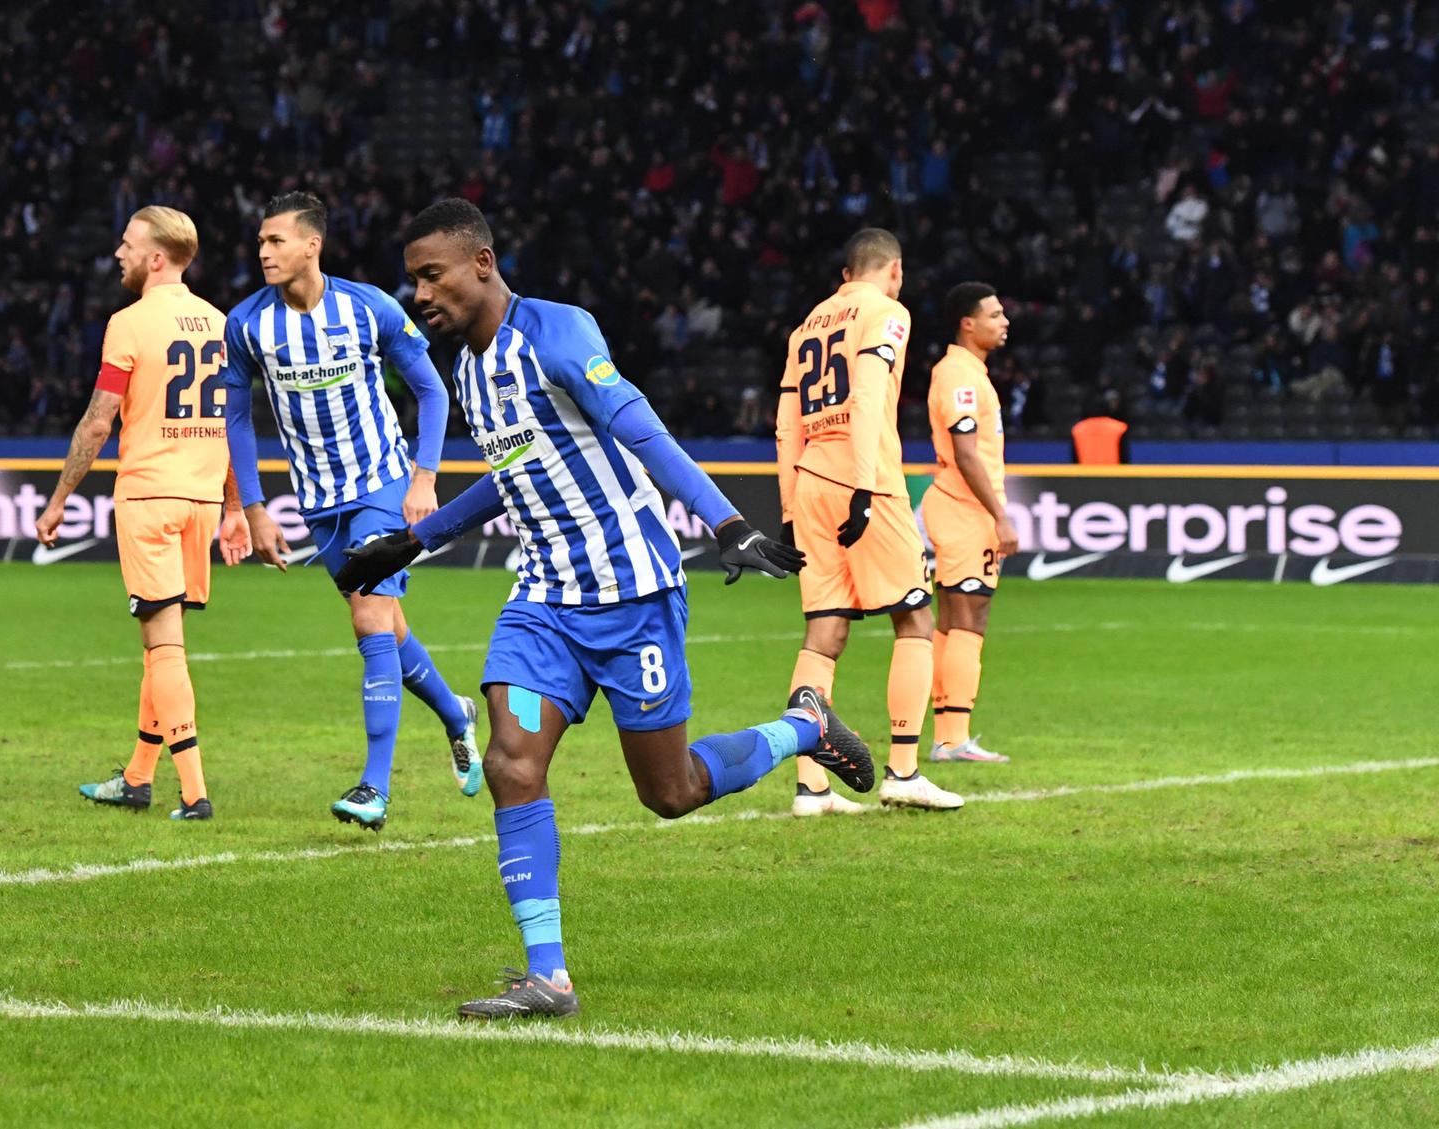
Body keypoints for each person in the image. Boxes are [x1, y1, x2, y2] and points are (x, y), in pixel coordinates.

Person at [337, 198, 869, 1020]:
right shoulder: (471, 372)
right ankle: (548, 976)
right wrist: (417, 541)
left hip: (633, 595)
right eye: (413, 280)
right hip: (544, 598)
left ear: (481, 262)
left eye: (430, 274)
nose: (419, 294)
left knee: (671, 790)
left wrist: (722, 519)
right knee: (513, 762)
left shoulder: (558, 332)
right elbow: (514, 475)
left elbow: (634, 422)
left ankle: (806, 725)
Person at [223, 191, 481, 831]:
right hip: (317, 501)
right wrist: (252, 507)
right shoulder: (247, 323)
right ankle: (455, 714)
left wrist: (423, 479)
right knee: (388, 626)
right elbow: (234, 417)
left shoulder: (369, 307)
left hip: (382, 484)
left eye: (276, 240)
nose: (263, 251)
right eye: (260, 242)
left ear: (313, 245)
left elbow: (430, 387)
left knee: (369, 622)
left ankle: (375, 787)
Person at [34, 206, 245, 821]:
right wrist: (234, 505)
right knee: (161, 645)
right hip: (202, 499)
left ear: (157, 257)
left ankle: (195, 793)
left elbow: (100, 420)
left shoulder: (128, 323)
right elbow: (232, 423)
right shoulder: (220, 323)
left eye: (127, 245)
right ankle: (136, 777)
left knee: (164, 646)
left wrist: (58, 499)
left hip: (150, 496)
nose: (118, 254)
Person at [776, 228, 962, 815]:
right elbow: (869, 396)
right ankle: (904, 772)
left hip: (808, 481)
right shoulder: (888, 312)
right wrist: (862, 484)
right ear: (895, 270)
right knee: (915, 617)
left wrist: (787, 508)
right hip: (866, 481)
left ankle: (811, 786)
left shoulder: (806, 326)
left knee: (824, 633)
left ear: (843, 276)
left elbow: (786, 425)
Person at [923, 283, 1017, 764]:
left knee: (954, 619)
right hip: (964, 509)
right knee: (968, 617)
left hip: (958, 506)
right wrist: (1000, 516)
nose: (1004, 322)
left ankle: (947, 734)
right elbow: (965, 452)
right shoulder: (960, 376)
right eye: (995, 314)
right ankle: (952, 737)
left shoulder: (966, 373)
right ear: (968, 322)